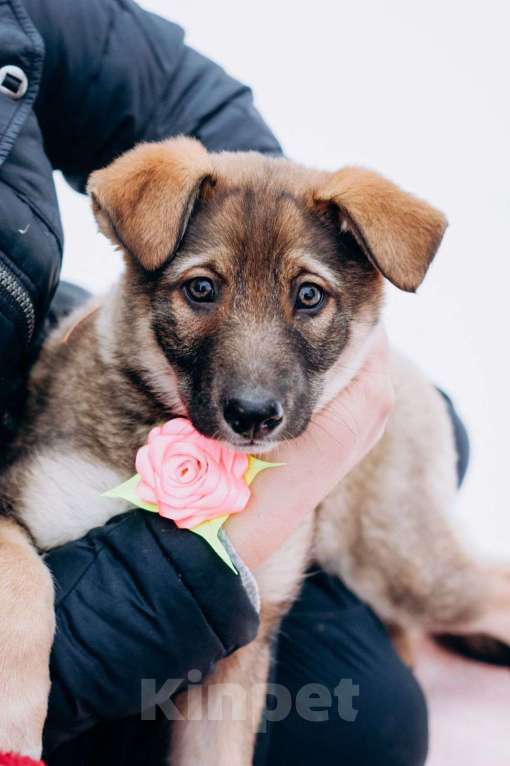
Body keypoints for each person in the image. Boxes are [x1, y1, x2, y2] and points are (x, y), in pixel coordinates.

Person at [0, 1, 469, 764]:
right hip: (94, 516)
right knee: (369, 724)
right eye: (202, 290)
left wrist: (258, 205)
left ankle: (410, 604)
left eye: (308, 297)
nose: (253, 386)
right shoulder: (83, 426)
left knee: (444, 436)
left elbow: (174, 91)